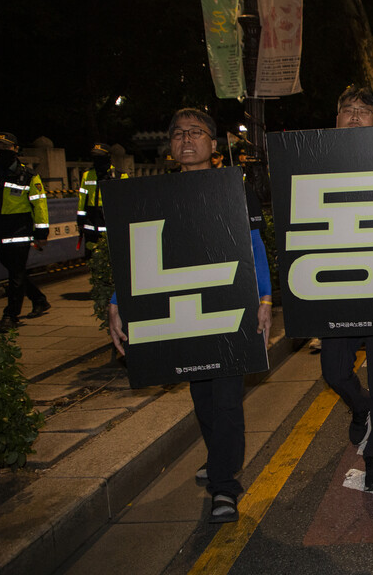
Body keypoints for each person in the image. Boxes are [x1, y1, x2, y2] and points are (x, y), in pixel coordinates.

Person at [108, 108, 272, 523]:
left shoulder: (235, 188)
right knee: (202, 396)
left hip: (229, 308)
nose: (186, 139)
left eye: (196, 132)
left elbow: (255, 248)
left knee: (227, 398)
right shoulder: (154, 194)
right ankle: (219, 458)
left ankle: (224, 485)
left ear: (212, 145)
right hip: (185, 312)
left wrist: (266, 300)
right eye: (178, 133)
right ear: (171, 146)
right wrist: (116, 300)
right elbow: (136, 254)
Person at [318, 85, 373, 491]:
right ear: (335, 120)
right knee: (334, 370)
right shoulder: (314, 163)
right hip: (335, 284)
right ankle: (360, 405)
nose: (354, 116)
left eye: (364, 111)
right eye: (347, 110)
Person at [0, 132, 50, 331]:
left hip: (20, 231)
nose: (1, 151)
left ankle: (10, 315)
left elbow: (40, 206)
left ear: (15, 149)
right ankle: (39, 299)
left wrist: (41, 233)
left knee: (15, 273)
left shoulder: (29, 177)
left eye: (5, 147)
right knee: (17, 272)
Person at [77, 142, 127, 259]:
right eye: (95, 157)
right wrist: (80, 221)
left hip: (111, 222)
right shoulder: (87, 175)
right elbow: (82, 201)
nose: (97, 160)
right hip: (91, 222)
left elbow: (126, 202)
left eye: (100, 157)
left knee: (113, 258)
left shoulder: (120, 176)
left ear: (108, 157)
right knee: (92, 258)